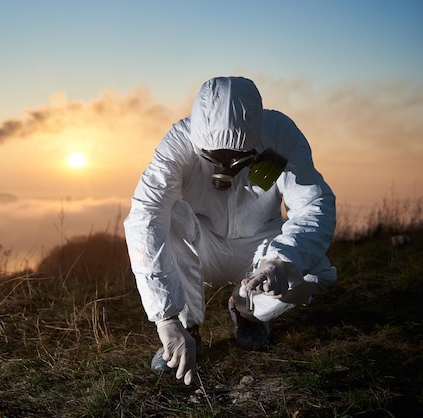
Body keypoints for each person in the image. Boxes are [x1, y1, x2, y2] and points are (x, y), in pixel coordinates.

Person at [123, 76, 337, 385]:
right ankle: (185, 330)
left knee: (310, 267)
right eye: (215, 158)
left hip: (261, 250)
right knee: (166, 217)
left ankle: (247, 309)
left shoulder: (280, 135)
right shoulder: (179, 142)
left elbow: (313, 203)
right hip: (202, 246)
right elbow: (146, 214)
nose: (226, 168)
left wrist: (280, 260)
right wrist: (164, 317)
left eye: (237, 160)